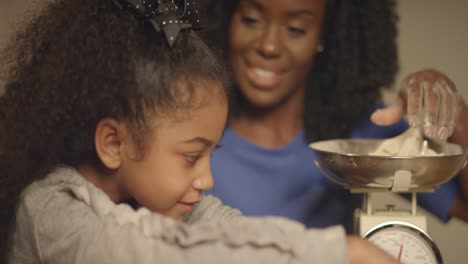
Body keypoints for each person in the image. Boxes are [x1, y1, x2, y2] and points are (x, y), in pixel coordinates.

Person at [0, 0, 400, 263]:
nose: (207, 179)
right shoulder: (50, 211)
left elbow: (234, 232)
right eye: (192, 156)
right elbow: (158, 251)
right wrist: (338, 253)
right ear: (113, 143)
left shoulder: (158, 200)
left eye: (210, 154)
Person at [200, 0, 468, 233]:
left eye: (295, 29)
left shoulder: (365, 132)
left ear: (325, 36)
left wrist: (458, 119)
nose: (268, 45)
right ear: (226, 18)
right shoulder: (191, 130)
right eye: (251, 20)